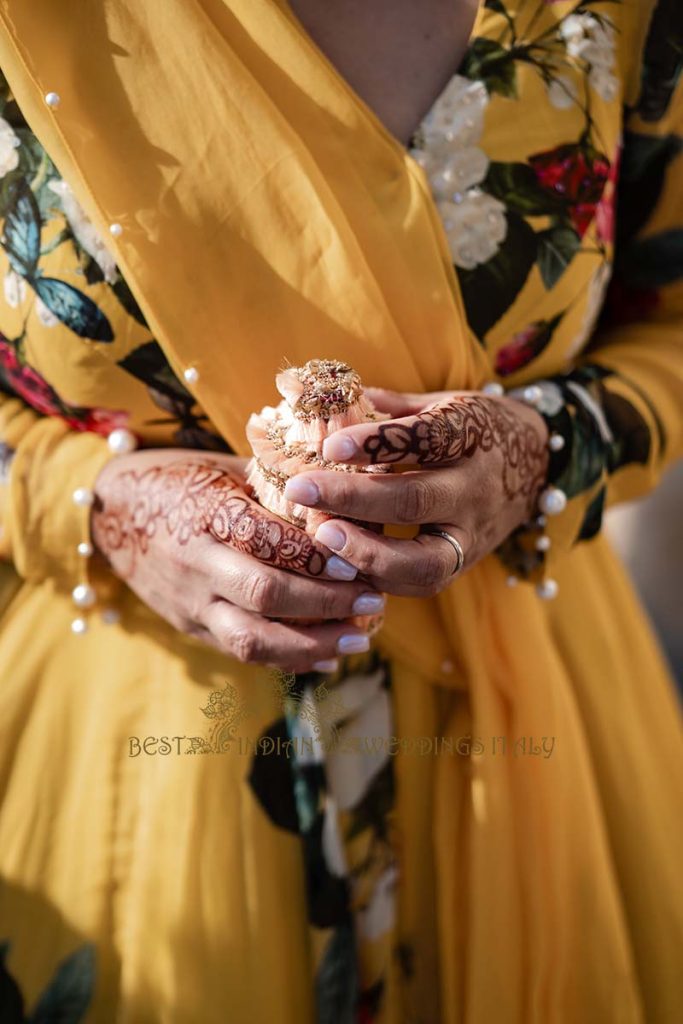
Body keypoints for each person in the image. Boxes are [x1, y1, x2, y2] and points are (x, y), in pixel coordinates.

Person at [0, 1, 681, 1021]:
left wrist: (547, 448)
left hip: (541, 740)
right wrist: (96, 508)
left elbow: (666, 318)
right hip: (142, 765)